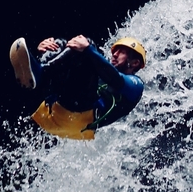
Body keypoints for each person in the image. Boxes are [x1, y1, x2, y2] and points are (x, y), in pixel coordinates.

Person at [9, 33, 146, 140]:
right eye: (115, 51)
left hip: (81, 119)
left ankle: (41, 72)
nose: (114, 54)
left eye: (122, 52)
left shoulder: (136, 85)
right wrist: (46, 51)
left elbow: (117, 80)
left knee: (87, 47)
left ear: (134, 63)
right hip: (55, 110)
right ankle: (38, 68)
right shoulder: (101, 70)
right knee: (61, 43)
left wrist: (88, 49)